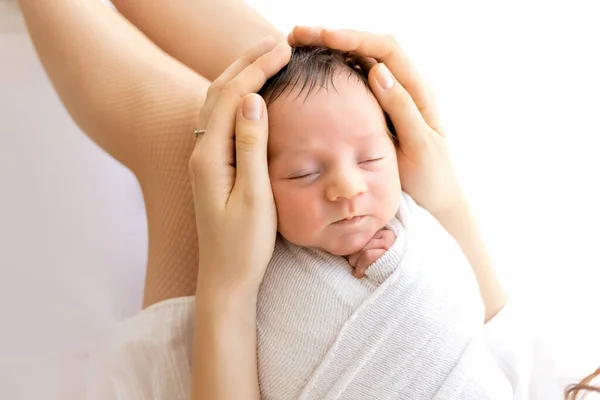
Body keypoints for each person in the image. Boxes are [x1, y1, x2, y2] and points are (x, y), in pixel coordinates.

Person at [14, 0, 596, 398]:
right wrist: (441, 200)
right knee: (288, 76)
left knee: (192, 134)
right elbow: (517, 367)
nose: (348, 184)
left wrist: (227, 281)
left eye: (369, 159)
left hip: (231, 355)